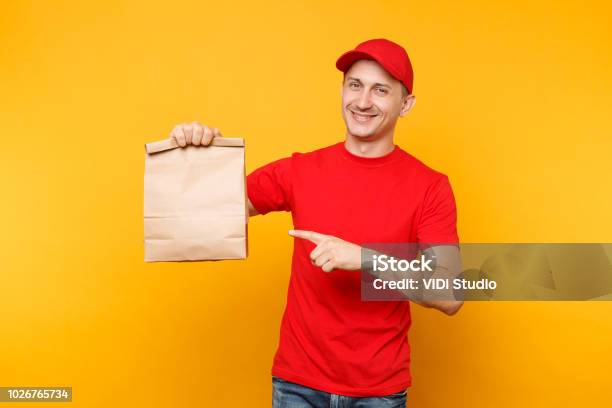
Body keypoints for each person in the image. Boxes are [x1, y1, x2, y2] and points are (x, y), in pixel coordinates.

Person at [168, 38, 463, 408]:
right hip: (297, 386)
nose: (363, 101)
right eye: (355, 85)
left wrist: (366, 258)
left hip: (378, 392)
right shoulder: (300, 170)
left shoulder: (430, 187)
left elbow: (451, 294)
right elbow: (202, 211)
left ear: (406, 104)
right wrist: (194, 156)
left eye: (380, 90)